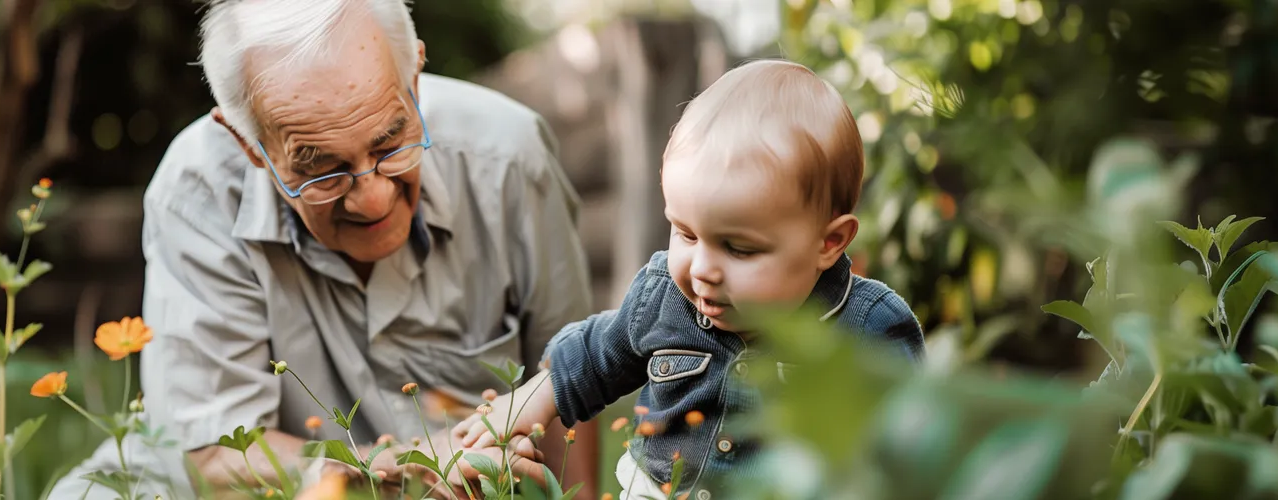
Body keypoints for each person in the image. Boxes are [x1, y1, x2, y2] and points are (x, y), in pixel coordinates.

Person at [49, 0, 594, 497]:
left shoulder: (511, 159)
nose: (373, 198)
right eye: (322, 170)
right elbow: (214, 455)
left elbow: (573, 379)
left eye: (390, 143)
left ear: (415, 79)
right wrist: (404, 463)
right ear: (248, 145)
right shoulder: (197, 191)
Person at [449, 60, 925, 499]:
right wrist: (524, 404)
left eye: (738, 248)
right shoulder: (664, 296)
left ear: (828, 242)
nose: (701, 268)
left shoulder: (868, 327)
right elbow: (592, 357)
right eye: (686, 233)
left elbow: (920, 442)